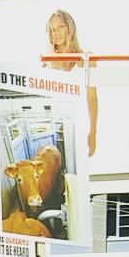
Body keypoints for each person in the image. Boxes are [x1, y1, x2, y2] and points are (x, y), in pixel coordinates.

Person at [47, 10, 98, 157]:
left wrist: (93, 131)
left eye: (60, 27)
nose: (55, 33)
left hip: (79, 126)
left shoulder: (87, 60)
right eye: (52, 29)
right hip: (55, 127)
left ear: (70, 28)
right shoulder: (48, 60)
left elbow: (92, 98)